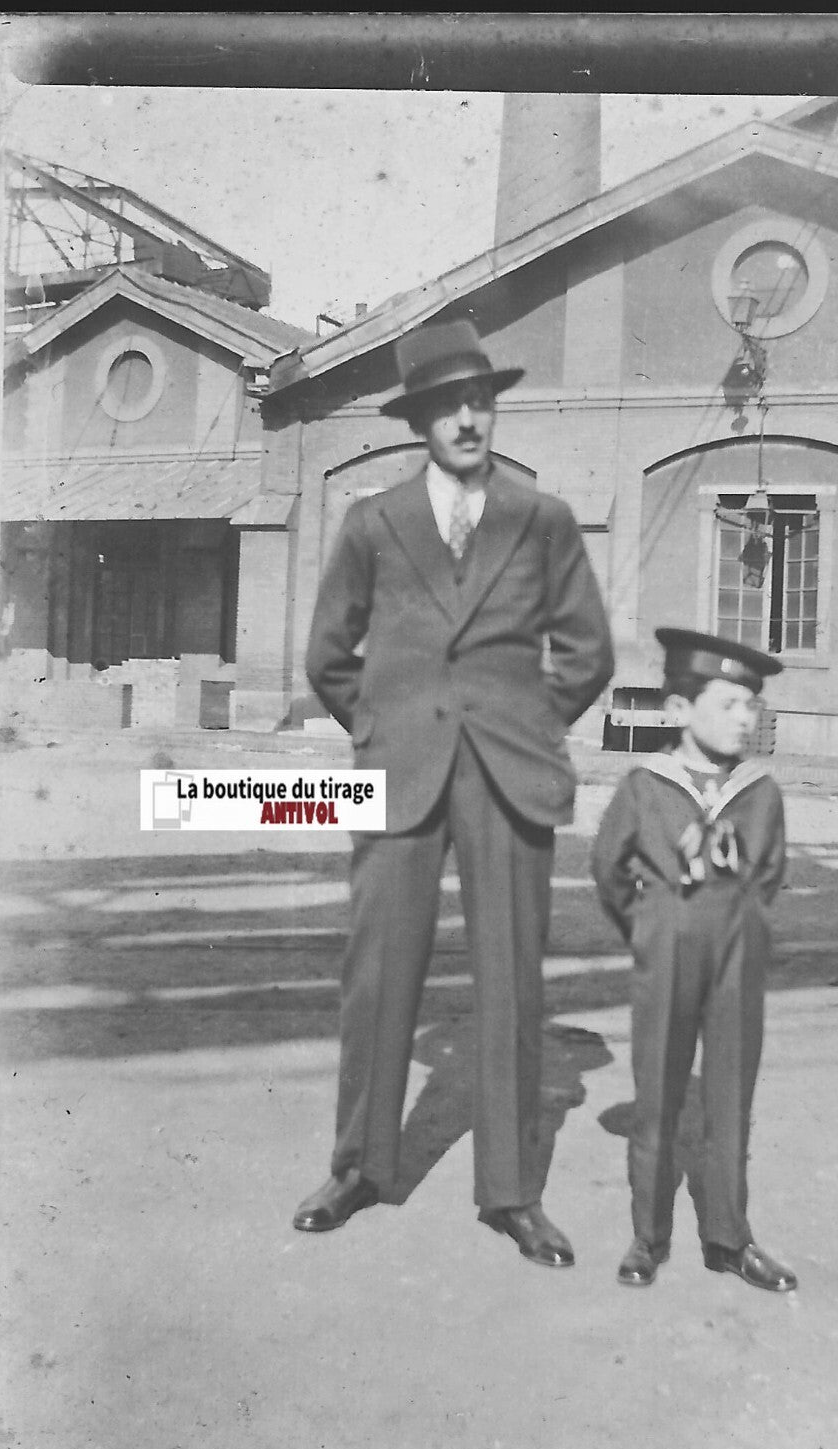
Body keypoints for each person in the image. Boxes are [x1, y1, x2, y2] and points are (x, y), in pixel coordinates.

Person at [294, 319, 615, 1267]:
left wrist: (523, 716)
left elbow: (586, 650)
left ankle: (511, 1194)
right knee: (377, 970)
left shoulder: (541, 518)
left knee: (512, 979)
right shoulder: (371, 523)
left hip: (508, 779)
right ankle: (358, 1166)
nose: (468, 419)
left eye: (480, 401)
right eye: (447, 407)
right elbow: (325, 656)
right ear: (420, 423)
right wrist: (382, 724)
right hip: (398, 775)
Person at [591, 628, 797, 1292]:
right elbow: (607, 868)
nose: (745, 719)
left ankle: (729, 1238)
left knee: (730, 1098)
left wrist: (742, 927)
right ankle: (647, 1237)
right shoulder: (646, 786)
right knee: (658, 1096)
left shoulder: (760, 792)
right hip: (667, 952)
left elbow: (767, 874)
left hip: (736, 953)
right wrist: (651, 929)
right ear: (680, 711)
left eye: (751, 707)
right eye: (729, 704)